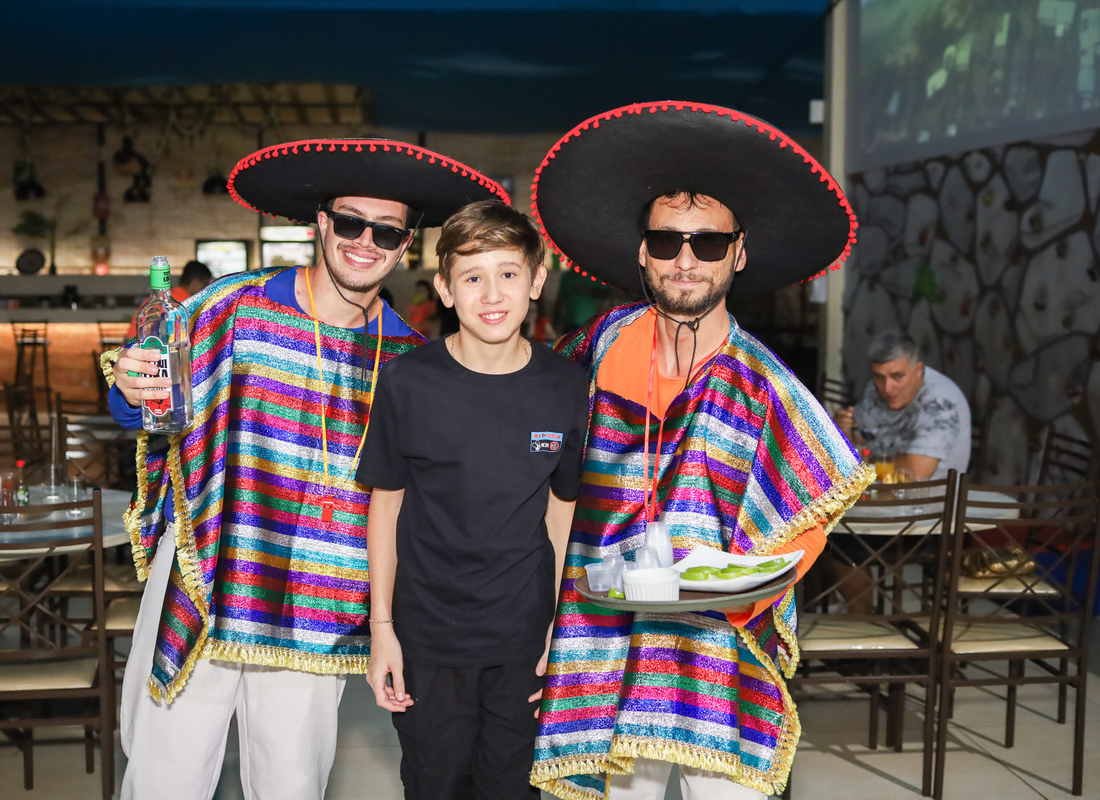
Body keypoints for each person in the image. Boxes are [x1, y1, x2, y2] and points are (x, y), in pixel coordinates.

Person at [104, 138, 508, 800]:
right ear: (321, 223)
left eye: (386, 230)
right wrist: (130, 391)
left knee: (293, 784)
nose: (365, 242)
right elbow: (151, 414)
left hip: (318, 599)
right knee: (164, 778)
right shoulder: (231, 308)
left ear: (406, 245)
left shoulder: (410, 360)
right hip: (208, 574)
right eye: (350, 222)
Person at [526, 102, 871, 799]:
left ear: (738, 253)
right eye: (667, 241)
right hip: (604, 645)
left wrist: (739, 590)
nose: (686, 262)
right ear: (642, 250)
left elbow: (807, 519)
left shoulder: (765, 387)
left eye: (708, 245)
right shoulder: (587, 354)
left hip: (714, 657)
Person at [356, 200, 589, 799]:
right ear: (444, 289)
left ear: (537, 281)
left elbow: (561, 510)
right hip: (428, 637)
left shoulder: (565, 385)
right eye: (473, 276)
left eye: (509, 273)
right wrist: (382, 629)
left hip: (523, 637)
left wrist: (559, 626)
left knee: (512, 789)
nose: (493, 293)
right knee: (435, 786)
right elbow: (385, 507)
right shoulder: (408, 381)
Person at [834, 329, 971, 480]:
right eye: (879, 377)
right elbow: (859, 441)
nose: (887, 388)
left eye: (898, 376)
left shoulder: (941, 400)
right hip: (877, 491)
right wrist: (844, 430)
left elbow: (915, 472)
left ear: (918, 370)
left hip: (929, 499)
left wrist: (860, 464)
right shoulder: (875, 387)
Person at [125, 259, 213, 339]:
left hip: (135, 350)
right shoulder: (187, 303)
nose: (205, 290)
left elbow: (129, 338)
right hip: (158, 352)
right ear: (195, 282)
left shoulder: (151, 301)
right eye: (205, 285)